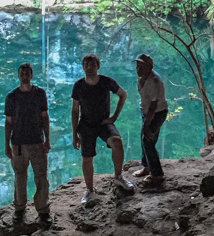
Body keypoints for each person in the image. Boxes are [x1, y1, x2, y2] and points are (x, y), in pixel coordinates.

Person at [70, 53, 134, 200]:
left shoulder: (106, 81)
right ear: (83, 67)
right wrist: (74, 134)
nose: (89, 68)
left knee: (117, 141)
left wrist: (114, 116)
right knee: (87, 157)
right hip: (86, 124)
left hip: (104, 122)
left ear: (98, 66)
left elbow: (123, 95)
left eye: (92, 65)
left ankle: (118, 176)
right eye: (86, 65)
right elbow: (74, 110)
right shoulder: (78, 85)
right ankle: (89, 189)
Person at [3, 62, 51, 227]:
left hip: (37, 141)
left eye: (27, 73)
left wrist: (47, 139)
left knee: (41, 177)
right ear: (18, 76)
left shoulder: (40, 94)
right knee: (19, 177)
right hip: (18, 144)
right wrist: (7, 145)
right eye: (21, 73)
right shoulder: (12, 97)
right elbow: (8, 122)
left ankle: (43, 210)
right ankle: (19, 209)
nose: (24, 76)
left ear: (31, 75)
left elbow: (45, 117)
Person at [133, 54, 167, 189]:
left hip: (157, 113)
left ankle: (157, 174)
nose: (138, 69)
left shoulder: (154, 81)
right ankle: (147, 167)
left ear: (150, 67)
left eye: (141, 66)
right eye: (137, 66)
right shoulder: (142, 77)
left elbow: (153, 107)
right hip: (146, 112)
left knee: (148, 140)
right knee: (145, 139)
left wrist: (146, 125)